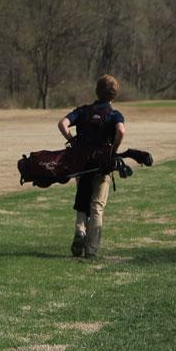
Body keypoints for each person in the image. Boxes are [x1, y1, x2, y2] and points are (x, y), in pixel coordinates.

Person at [58, 75, 126, 259]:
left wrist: (72, 140)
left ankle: (80, 230)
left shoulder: (83, 111)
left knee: (82, 200)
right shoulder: (114, 115)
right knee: (97, 206)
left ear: (97, 91)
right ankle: (91, 250)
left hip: (82, 164)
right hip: (102, 166)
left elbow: (62, 124)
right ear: (114, 95)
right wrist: (114, 149)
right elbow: (121, 130)